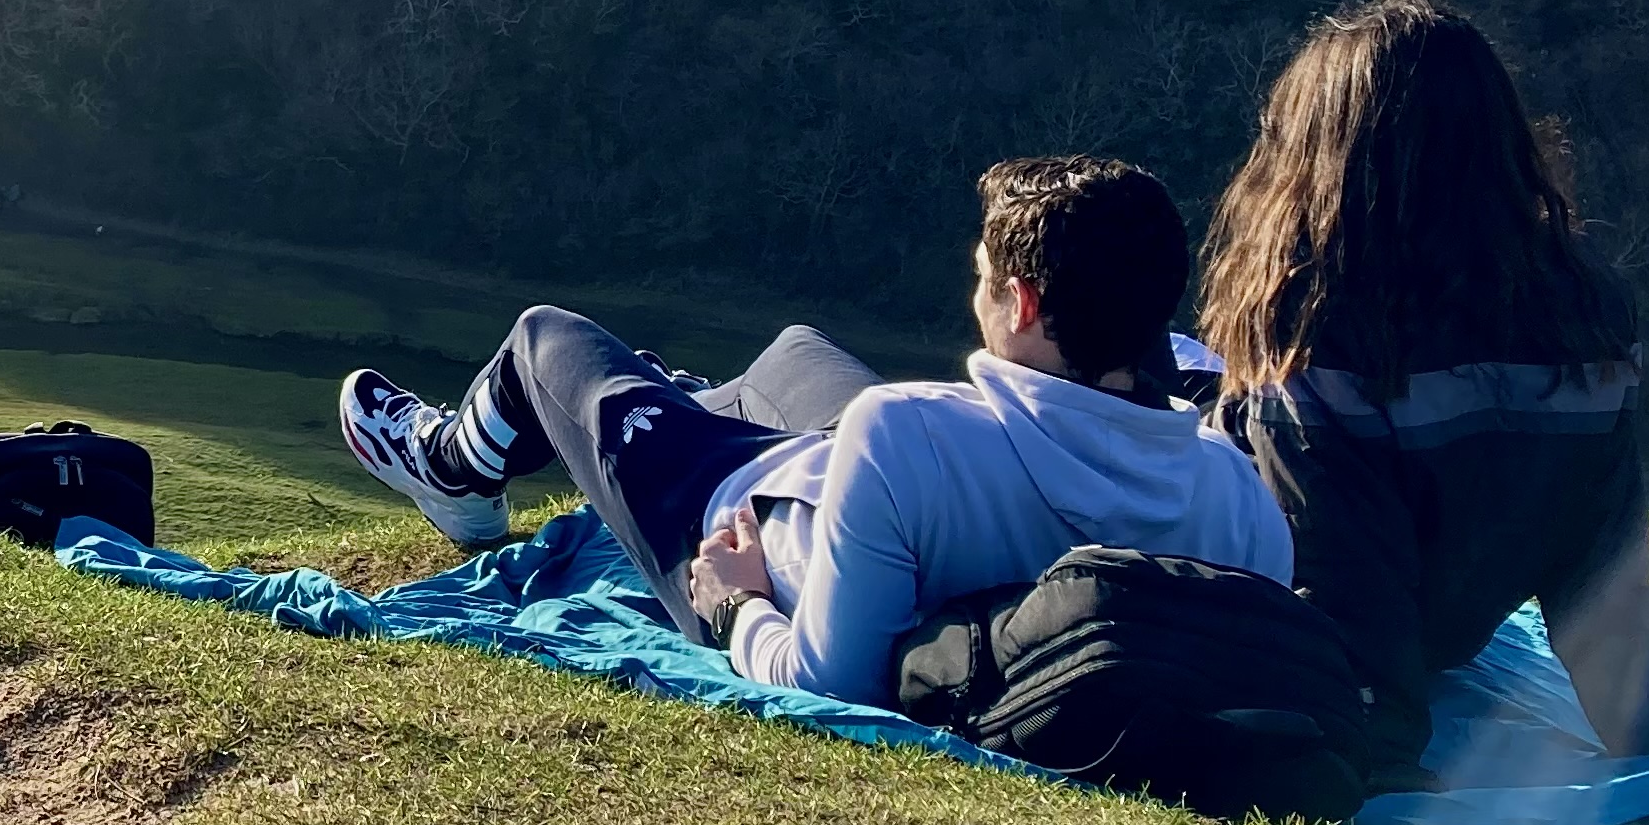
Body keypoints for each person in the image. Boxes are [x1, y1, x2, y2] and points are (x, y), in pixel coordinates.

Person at [336, 156, 1290, 703]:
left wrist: (731, 604)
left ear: (1025, 303)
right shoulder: (1239, 496)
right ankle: (685, 404)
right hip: (872, 468)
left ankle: (456, 469)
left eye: (983, 278)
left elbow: (824, 687)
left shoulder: (906, 432)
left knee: (548, 343)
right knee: (796, 351)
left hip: (739, 521)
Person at [1198, 0, 1649, 778]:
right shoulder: (1584, 302)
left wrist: (1376, 741)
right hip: (1434, 643)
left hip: (1319, 650)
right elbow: (1605, 563)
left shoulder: (1321, 314)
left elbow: (1340, 564)